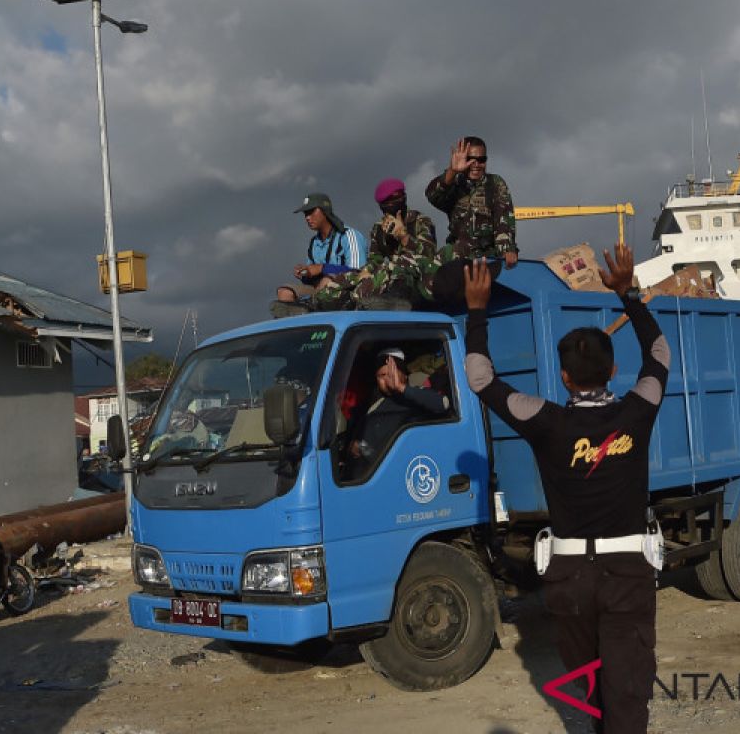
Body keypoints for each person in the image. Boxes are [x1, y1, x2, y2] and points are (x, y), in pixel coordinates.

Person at [462, 244, 669, 734]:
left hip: (568, 577)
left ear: (564, 377)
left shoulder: (546, 421)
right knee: (628, 688)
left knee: (593, 686)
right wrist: (629, 296)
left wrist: (477, 310)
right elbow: (659, 355)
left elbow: (479, 377)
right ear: (613, 372)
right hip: (627, 574)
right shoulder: (637, 410)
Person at [313, 179, 441, 311]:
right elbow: (376, 258)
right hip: (389, 274)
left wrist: (403, 236)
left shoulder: (420, 221)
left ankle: (363, 300)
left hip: (415, 276)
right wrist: (366, 271)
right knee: (346, 278)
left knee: (395, 267)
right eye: (387, 204)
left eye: (396, 200)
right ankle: (323, 303)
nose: (392, 206)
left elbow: (427, 254)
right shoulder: (379, 228)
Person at [339, 347, 449, 481]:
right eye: (381, 376)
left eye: (391, 374)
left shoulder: (416, 396)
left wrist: (401, 388)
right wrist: (353, 445)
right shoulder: (372, 403)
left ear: (404, 374)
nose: (387, 380)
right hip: (364, 476)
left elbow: (442, 404)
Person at [425, 136, 519, 268]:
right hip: (457, 257)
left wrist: (507, 251)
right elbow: (432, 195)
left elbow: (504, 220)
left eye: (481, 160)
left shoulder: (495, 183)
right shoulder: (455, 184)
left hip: (487, 258)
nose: (476, 165)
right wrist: (452, 171)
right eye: (470, 160)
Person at [274, 193, 368, 315]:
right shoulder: (314, 243)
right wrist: (305, 273)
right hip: (319, 290)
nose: (307, 217)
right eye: (305, 214)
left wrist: (322, 268)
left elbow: (360, 273)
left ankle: (310, 313)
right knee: (284, 292)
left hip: (348, 293)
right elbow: (312, 277)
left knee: (326, 280)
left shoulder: (349, 235)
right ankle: (295, 328)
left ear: (325, 211)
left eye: (311, 212)